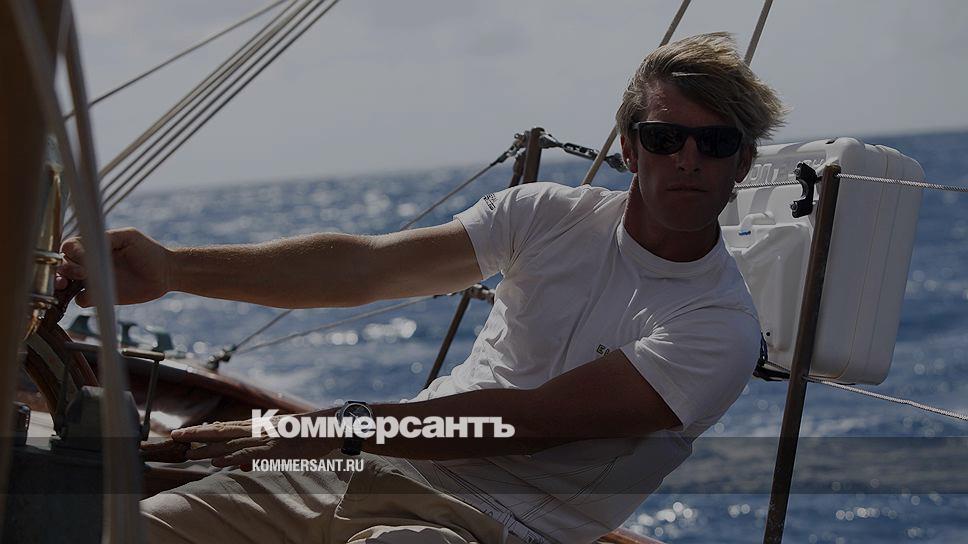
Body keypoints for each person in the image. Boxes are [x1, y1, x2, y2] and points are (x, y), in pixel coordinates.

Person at [57, 32, 785, 544]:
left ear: (743, 162)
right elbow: (368, 268)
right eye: (665, 137)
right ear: (629, 147)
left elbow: (523, 423)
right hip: (374, 466)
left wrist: (318, 431)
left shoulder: (718, 327)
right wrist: (172, 269)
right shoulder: (546, 216)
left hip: (491, 525)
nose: (687, 159)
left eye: (715, 142)